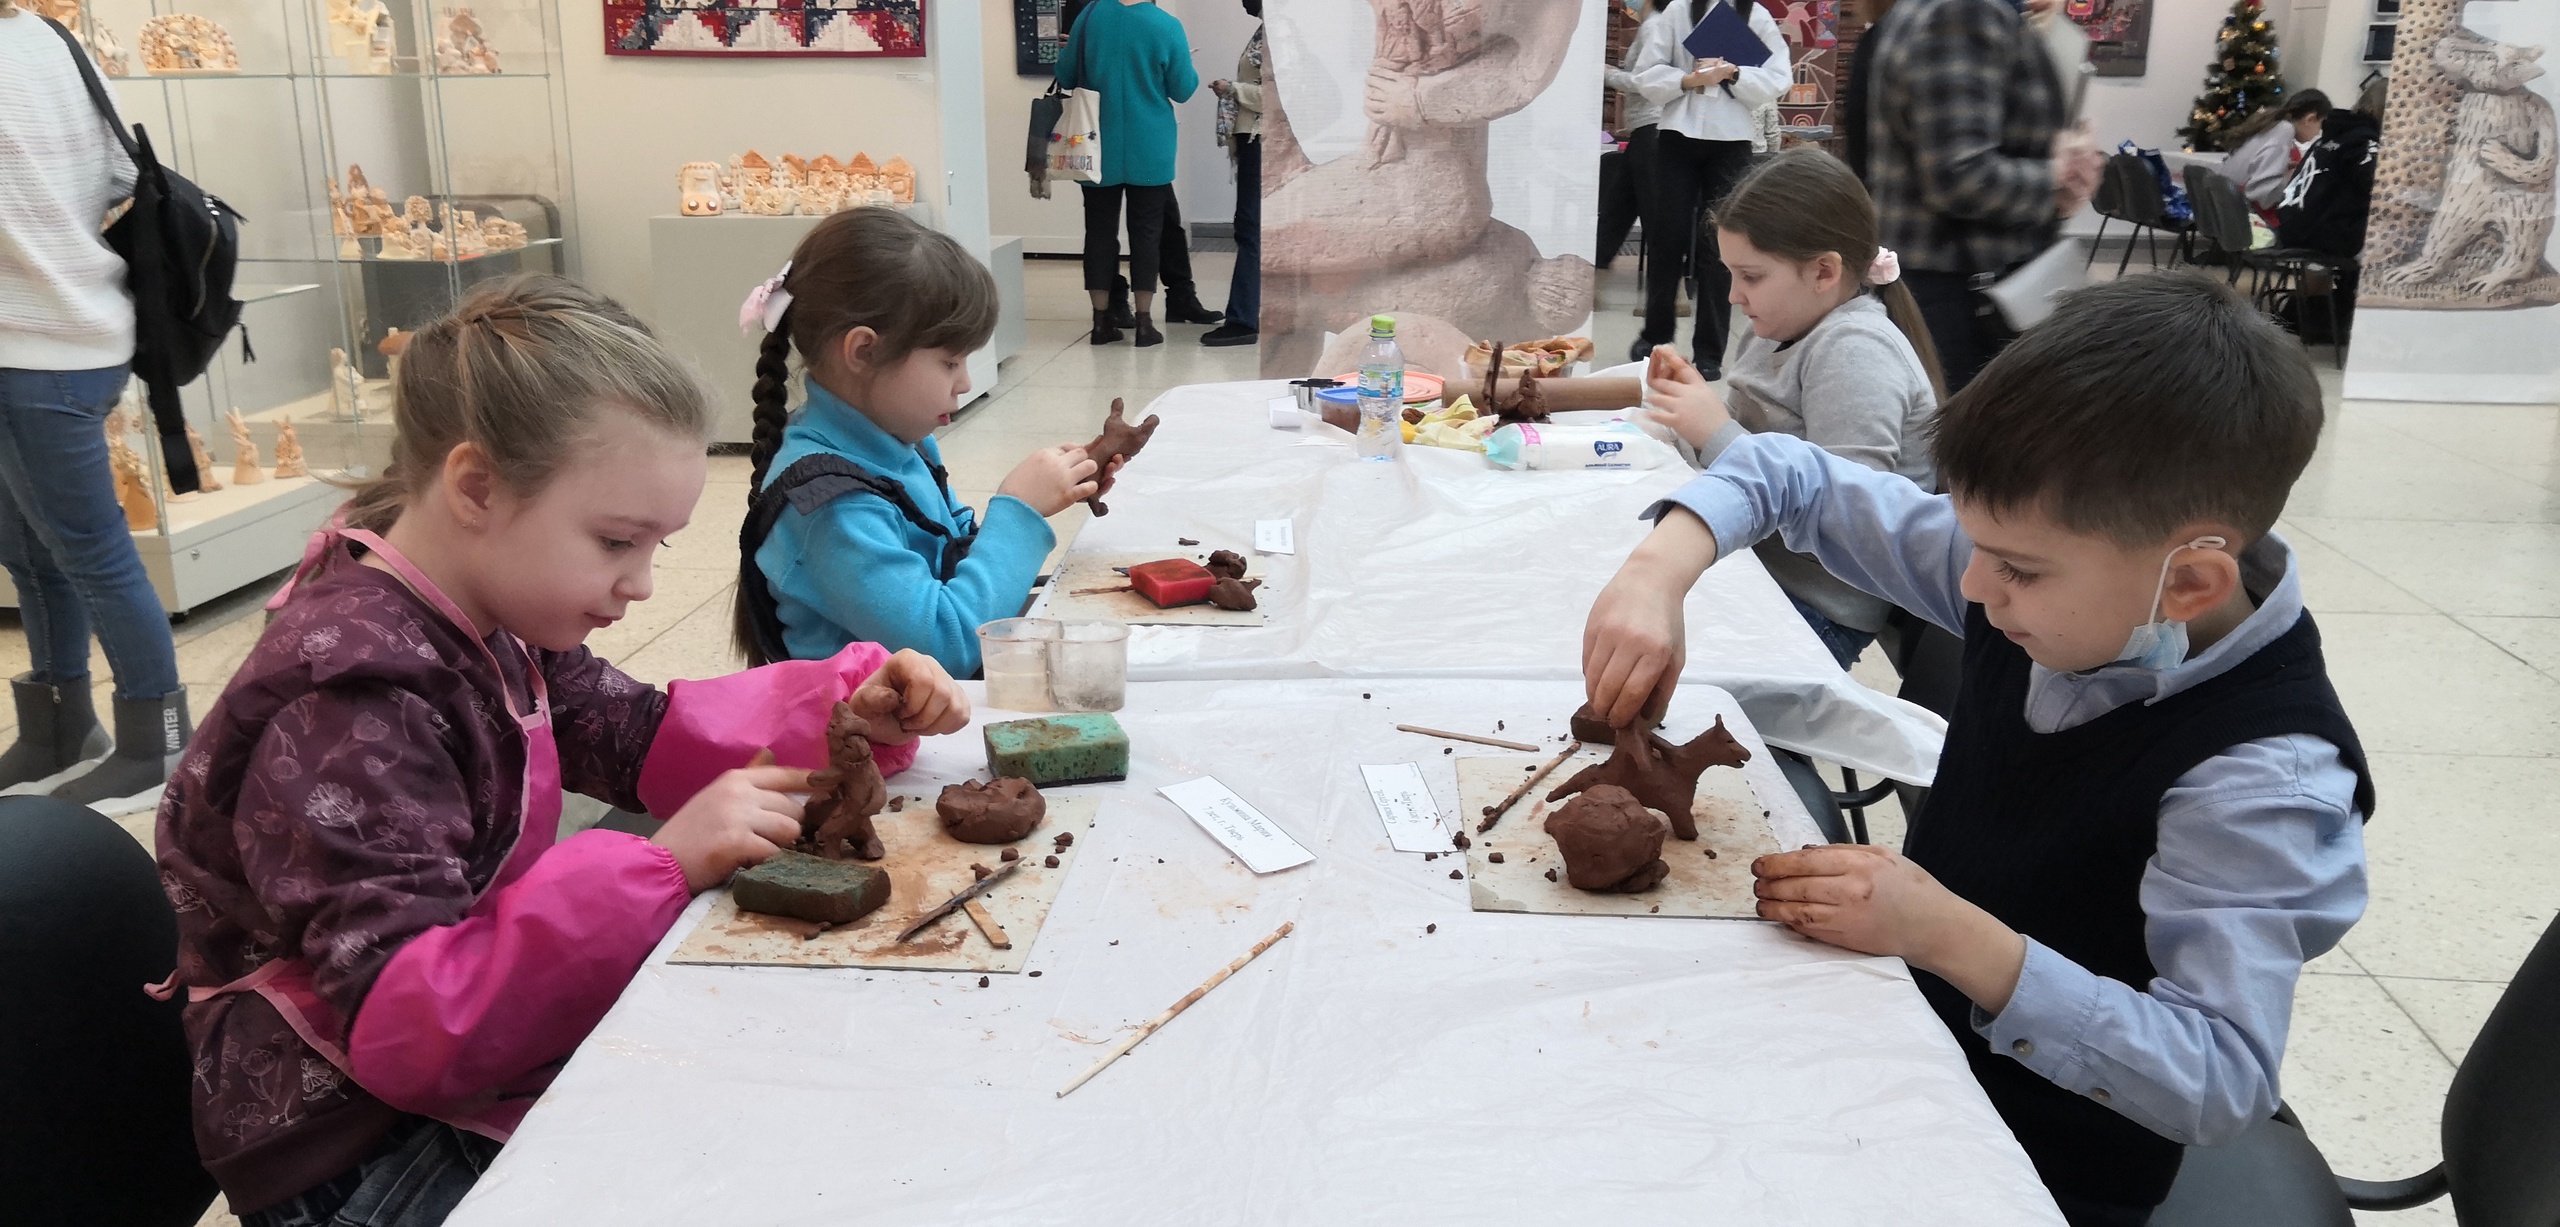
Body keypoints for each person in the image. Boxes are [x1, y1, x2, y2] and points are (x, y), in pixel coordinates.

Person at [154, 276, 973, 1226]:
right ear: (476, 488)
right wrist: (656, 864)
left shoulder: (484, 610)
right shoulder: (354, 702)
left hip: (451, 1059)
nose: (644, 584)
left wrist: (842, 714)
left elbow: (631, 733)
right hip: (353, 1146)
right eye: (618, 541)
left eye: (658, 544)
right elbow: (409, 1026)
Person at [1582, 273, 2369, 1226]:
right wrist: (1658, 567)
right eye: (1972, 542)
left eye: (2017, 570)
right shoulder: (2046, 571)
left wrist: (1954, 936)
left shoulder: (2259, 779)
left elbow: (2219, 1079)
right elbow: (1789, 471)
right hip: (1903, 1027)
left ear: (2193, 581)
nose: (1974, 588)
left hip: (2036, 1156)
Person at [736, 208, 1104, 679]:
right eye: (950, 362)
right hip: (874, 738)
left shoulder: (902, 442)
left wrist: (1058, 487)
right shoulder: (830, 507)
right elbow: (946, 643)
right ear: (864, 351)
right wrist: (1017, 511)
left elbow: (949, 547)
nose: (966, 382)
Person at [1638, 148, 1944, 668]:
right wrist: (1695, 412)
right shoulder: (1783, 325)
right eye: (1731, 274)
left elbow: (1849, 522)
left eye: (1751, 276)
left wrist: (1715, 431)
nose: (1734, 295)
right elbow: (1748, 445)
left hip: (1818, 607)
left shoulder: (1855, 350)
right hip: (1759, 574)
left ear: (1823, 271)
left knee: (1688, 702)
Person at [0, 1, 193, 804]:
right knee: (33, 552)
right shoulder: (51, 39)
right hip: (81, 333)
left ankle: (158, 742)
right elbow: (120, 173)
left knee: (88, 552)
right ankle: (57, 726)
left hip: (34, 348)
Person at [1864, 0, 2102, 392]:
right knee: (1967, 443)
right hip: (1961, 294)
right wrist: (2058, 177)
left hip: (1958, 286)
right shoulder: (1961, 13)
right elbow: (1958, 177)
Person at [1625, 0, 1792, 373]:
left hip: (1731, 140)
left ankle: (1710, 351)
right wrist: (1687, 80)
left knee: (1721, 244)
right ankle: (1656, 334)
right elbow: (1644, 73)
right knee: (1666, 237)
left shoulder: (1756, 17)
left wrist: (1733, 74)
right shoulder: (1677, 12)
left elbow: (1779, 76)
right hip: (1676, 135)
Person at [1055, 0, 1199, 347]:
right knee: (1147, 234)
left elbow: (1065, 75)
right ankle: (1145, 322)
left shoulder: (1089, 17)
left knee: (1099, 232)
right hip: (1150, 144)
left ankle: (1101, 321)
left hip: (1095, 143)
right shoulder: (1165, 25)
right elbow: (1183, 88)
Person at [1202, 0, 1264, 348]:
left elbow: (1279, 94)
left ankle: (1244, 318)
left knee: (1251, 229)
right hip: (1256, 138)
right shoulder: (1267, 31)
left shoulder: (1278, 36)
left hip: (1262, 138)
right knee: (1250, 228)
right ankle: (1246, 313)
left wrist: (1233, 89)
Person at [1597, 0, 1672, 275]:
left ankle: (1669, 282)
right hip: (1645, 126)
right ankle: (1595, 263)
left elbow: (1646, 82)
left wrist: (1608, 74)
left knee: (1653, 209)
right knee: (1619, 205)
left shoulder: (1654, 26)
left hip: (1653, 126)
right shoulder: (1652, 26)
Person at [2275, 87, 2382, 259]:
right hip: (2325, 237)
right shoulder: (2365, 143)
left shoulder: (2326, 140)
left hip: (2291, 228)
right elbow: (2379, 188)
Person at [2217, 90, 2329, 226]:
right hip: (2246, 218)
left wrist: (2283, 169)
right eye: (2321, 125)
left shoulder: (2272, 125)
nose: (2319, 132)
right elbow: (2264, 196)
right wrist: (2292, 177)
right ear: (2310, 119)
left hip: (2227, 208)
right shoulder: (2284, 131)